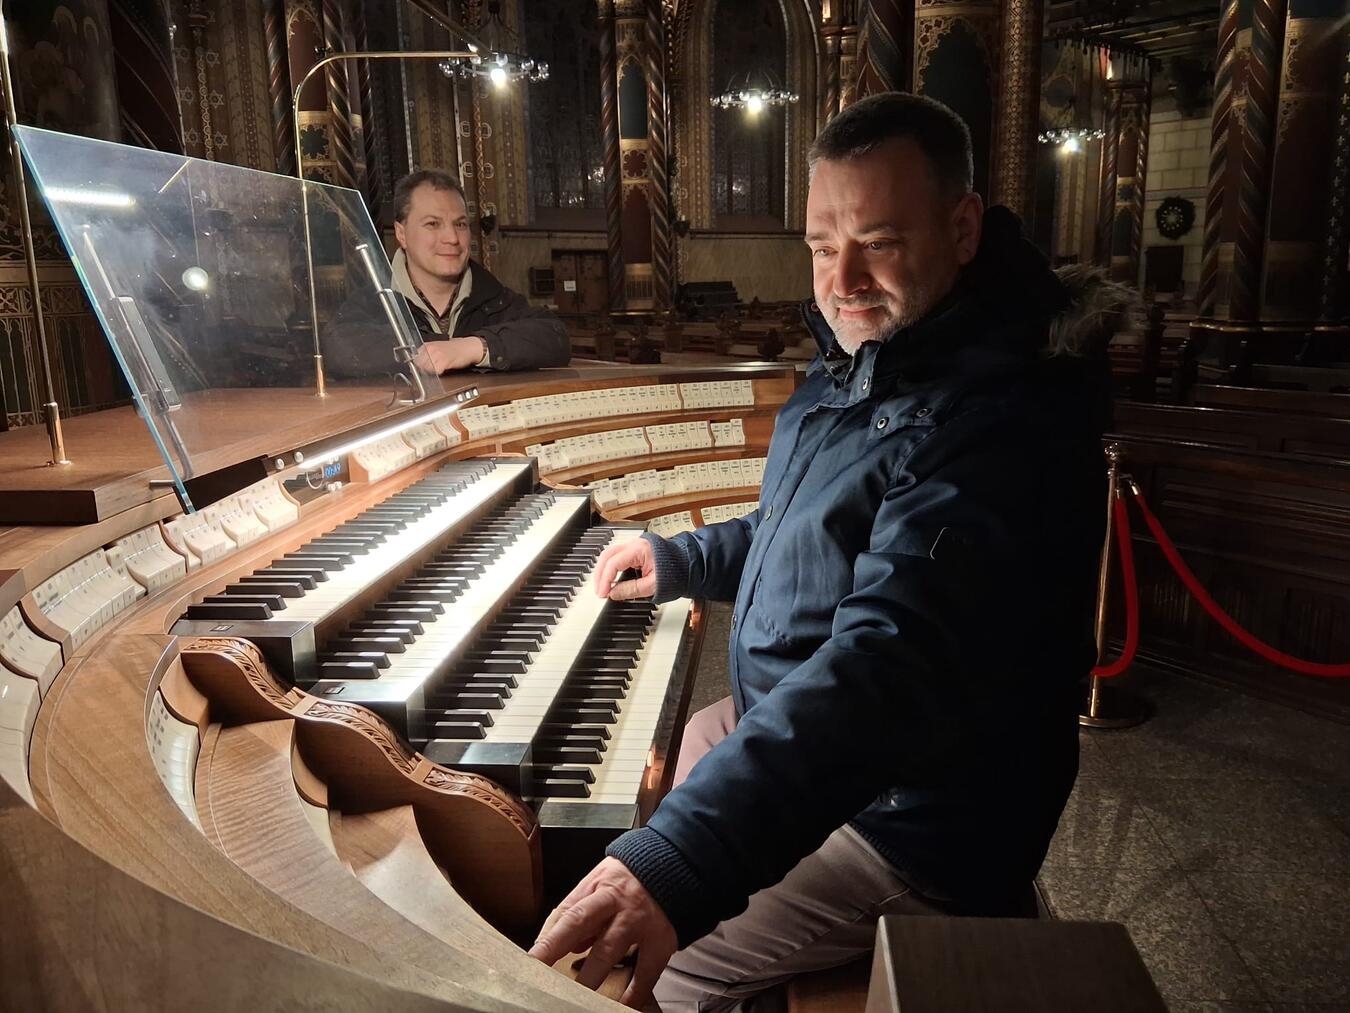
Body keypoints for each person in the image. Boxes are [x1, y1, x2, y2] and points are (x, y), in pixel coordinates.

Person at [528, 92, 1110, 1011]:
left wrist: (681, 861)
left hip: (921, 814)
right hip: (850, 742)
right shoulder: (866, 360)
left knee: (644, 970)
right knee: (686, 745)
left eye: (878, 241)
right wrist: (684, 559)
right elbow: (801, 533)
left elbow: (889, 667)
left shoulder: (1001, 417)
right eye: (819, 246)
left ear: (962, 229)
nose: (842, 279)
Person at [325, 169, 568, 376]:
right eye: (433, 224)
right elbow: (339, 346)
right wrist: (438, 346)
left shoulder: (494, 298)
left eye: (460, 224)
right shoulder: (375, 300)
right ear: (401, 233)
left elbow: (555, 337)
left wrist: (474, 347)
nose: (452, 238)